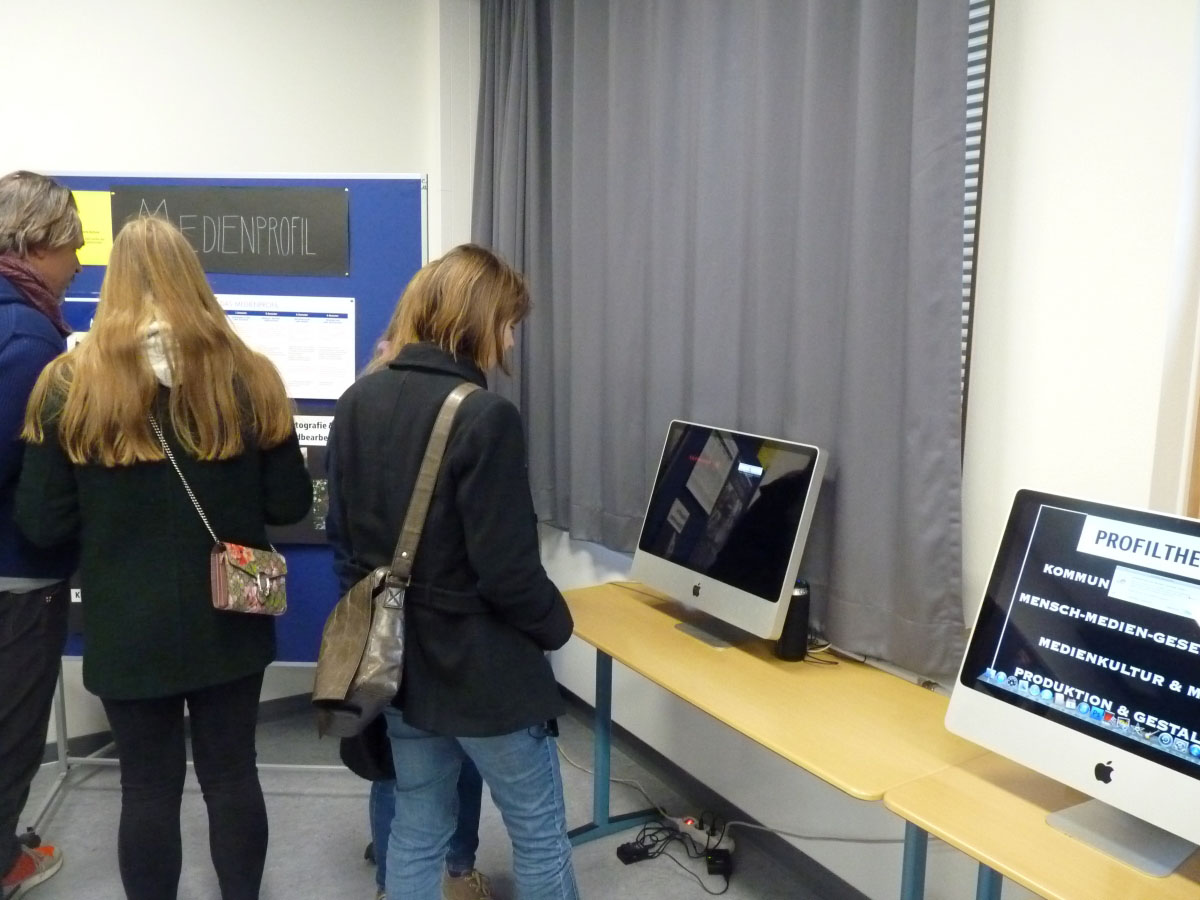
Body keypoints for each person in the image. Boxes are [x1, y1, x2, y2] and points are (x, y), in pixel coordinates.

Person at [14, 215, 312, 900]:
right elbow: (289, 502)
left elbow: (43, 523)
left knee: (146, 788)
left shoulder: (66, 384)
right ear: (194, 278)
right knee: (233, 774)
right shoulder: (252, 376)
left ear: (112, 281)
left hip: (127, 624)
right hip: (231, 617)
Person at [326, 244, 579, 900]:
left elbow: (342, 540)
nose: (511, 341)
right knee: (540, 833)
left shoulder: (357, 400)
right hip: (484, 673)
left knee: (417, 823)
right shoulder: (486, 415)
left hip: (400, 668)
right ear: (479, 319)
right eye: (509, 323)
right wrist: (558, 626)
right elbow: (507, 571)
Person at [0, 170, 82, 899]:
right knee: (14, 728)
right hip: (18, 574)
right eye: (71, 246)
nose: (78, 263)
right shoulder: (27, 339)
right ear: (34, 242)